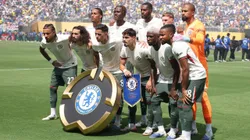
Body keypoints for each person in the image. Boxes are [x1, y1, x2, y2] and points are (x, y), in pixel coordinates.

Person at [163, 24, 206, 140]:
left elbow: (185, 69)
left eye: (162, 35)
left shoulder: (177, 46)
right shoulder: (173, 46)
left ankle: (186, 136)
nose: (160, 37)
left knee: (186, 104)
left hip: (197, 76)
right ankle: (186, 133)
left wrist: (183, 89)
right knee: (182, 104)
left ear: (170, 35)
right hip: (192, 76)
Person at [141, 26, 180, 138]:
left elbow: (177, 69)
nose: (148, 39)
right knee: (154, 100)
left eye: (151, 37)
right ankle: (161, 129)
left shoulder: (167, 48)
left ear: (158, 37)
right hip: (162, 79)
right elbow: (153, 67)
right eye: (147, 36)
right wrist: (153, 85)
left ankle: (173, 129)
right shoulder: (151, 50)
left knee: (173, 103)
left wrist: (173, 88)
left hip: (174, 80)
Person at [182, 3, 213, 139]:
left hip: (200, 66)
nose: (182, 13)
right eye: (182, 11)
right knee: (190, 96)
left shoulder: (199, 25)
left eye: (185, 11)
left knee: (203, 97)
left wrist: (187, 38)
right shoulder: (186, 26)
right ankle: (193, 127)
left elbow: (200, 40)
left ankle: (209, 130)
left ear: (192, 12)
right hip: (189, 66)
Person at [39, 24, 77, 121]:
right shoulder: (44, 42)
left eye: (47, 33)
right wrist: (51, 61)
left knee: (71, 90)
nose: (45, 36)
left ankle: (74, 113)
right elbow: (41, 49)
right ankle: (53, 114)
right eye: (44, 34)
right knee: (52, 88)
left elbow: (75, 38)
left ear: (54, 32)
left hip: (70, 65)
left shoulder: (63, 38)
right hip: (59, 66)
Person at [120, 28, 155, 131]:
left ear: (134, 38)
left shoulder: (143, 48)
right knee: (132, 100)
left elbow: (154, 66)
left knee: (149, 101)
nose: (124, 39)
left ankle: (150, 125)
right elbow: (121, 64)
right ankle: (131, 124)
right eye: (123, 37)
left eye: (127, 37)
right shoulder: (124, 49)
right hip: (138, 77)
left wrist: (150, 81)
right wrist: (125, 70)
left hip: (149, 76)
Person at [135, 2, 163, 127]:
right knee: (142, 94)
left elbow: (160, 37)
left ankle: (155, 121)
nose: (142, 12)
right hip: (141, 57)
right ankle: (144, 118)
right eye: (141, 10)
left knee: (152, 92)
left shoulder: (158, 22)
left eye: (145, 10)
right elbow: (135, 36)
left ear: (151, 10)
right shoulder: (139, 23)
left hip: (153, 54)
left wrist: (149, 43)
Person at [108, 5, 136, 128]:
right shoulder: (110, 27)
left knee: (128, 93)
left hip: (125, 63)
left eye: (118, 11)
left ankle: (131, 121)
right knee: (114, 93)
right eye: (114, 11)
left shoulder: (130, 27)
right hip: (112, 64)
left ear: (124, 13)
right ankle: (116, 119)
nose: (116, 13)